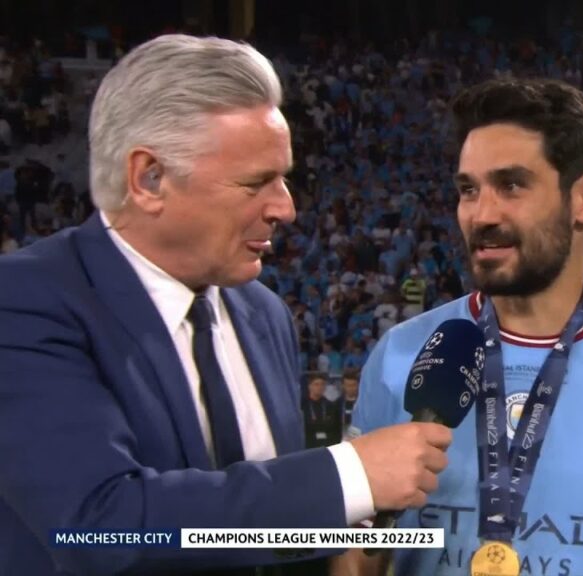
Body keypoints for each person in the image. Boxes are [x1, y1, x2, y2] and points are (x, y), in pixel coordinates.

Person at [0, 35, 452, 576]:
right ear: (149, 179)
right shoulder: (26, 301)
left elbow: (271, 532)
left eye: (283, 178)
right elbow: (98, 527)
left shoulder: (263, 314)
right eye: (256, 182)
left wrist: (350, 539)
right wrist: (347, 478)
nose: (285, 208)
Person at [339, 78, 583, 576]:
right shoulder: (399, 356)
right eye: (468, 189)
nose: (482, 214)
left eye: (511, 185)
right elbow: (354, 557)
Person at [304, 376, 341, 448]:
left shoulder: (331, 406)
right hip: (309, 444)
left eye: (322, 384)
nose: (320, 387)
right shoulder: (303, 406)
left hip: (328, 444)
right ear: (310, 386)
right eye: (316, 384)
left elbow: (337, 428)